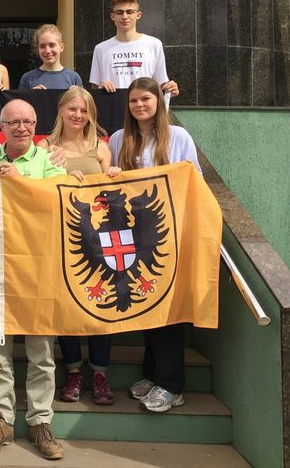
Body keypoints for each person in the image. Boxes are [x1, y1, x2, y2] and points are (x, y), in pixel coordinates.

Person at [0, 99, 66, 460]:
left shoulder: (49, 161)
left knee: (41, 348)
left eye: (28, 121)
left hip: (36, 267)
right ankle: (2, 418)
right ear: (2, 124)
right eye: (13, 122)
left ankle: (40, 421)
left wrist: (23, 180)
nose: (21, 128)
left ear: (36, 124)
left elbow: (58, 201)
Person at [107, 77, 200, 413]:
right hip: (132, 239)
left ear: (158, 101)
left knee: (168, 312)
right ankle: (152, 373)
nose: (140, 106)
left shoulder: (178, 137)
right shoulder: (119, 139)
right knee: (145, 306)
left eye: (145, 99)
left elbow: (194, 183)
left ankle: (172, 385)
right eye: (133, 101)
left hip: (167, 237)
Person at [36, 87, 121, 405]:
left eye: (84, 111)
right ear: (60, 111)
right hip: (61, 240)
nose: (78, 115)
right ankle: (72, 371)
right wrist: (58, 176)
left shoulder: (100, 148)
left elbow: (112, 194)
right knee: (68, 304)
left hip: (98, 241)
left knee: (103, 306)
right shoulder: (45, 146)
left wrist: (112, 174)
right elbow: (37, 189)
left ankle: (100, 373)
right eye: (72, 109)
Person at [89, 0, 179, 100]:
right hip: (113, 110)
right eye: (119, 12)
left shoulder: (154, 44)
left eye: (130, 11)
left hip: (144, 111)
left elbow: (161, 85)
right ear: (112, 16)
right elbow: (95, 89)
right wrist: (100, 89)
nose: (125, 16)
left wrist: (170, 89)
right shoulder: (101, 49)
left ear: (138, 15)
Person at [19, 24, 83, 90]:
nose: (47, 51)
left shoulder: (73, 78)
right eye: (42, 46)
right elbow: (19, 100)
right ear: (37, 49)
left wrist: (75, 95)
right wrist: (31, 95)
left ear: (61, 47)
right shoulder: (27, 78)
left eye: (52, 45)